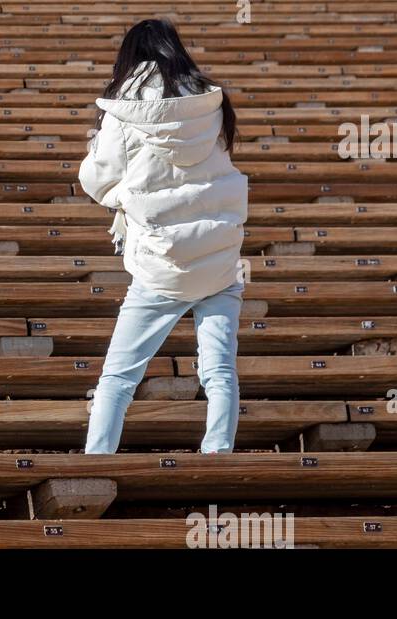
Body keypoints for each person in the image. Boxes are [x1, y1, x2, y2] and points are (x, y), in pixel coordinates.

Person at [78, 18, 248, 454]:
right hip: (219, 253)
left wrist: (127, 198)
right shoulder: (212, 103)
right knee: (220, 370)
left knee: (119, 375)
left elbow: (97, 180)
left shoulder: (123, 108)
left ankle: (97, 459)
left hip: (160, 259)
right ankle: (218, 453)